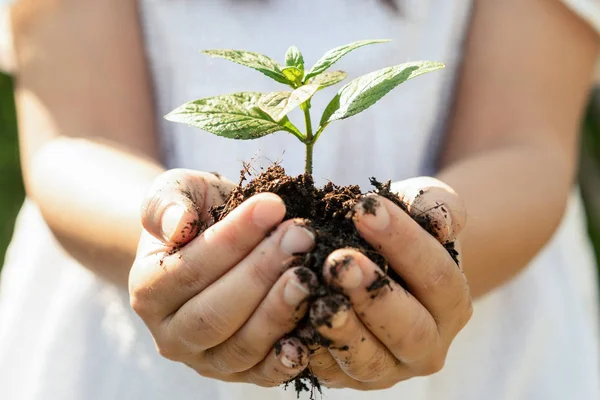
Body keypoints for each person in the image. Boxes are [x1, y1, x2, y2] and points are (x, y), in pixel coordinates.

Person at [0, 0, 598, 399]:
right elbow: (76, 137)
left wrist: (429, 253)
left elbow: (525, 143)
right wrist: (170, 240)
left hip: (488, 345)